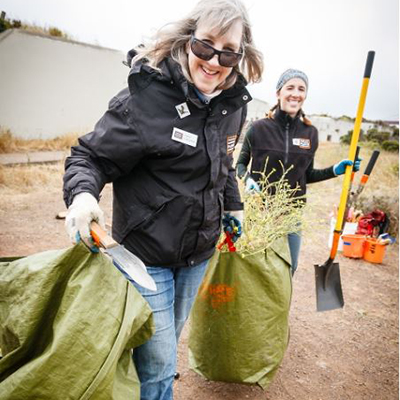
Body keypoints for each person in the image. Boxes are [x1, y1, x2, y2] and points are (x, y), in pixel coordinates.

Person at [63, 0, 263, 398]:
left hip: (197, 255)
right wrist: (83, 196)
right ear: (188, 41)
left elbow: (222, 164)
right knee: (159, 364)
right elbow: (90, 156)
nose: (213, 61)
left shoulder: (232, 106)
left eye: (228, 51)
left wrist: (233, 206)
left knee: (164, 345)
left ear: (240, 56)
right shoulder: (144, 99)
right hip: (145, 257)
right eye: (205, 46)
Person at [236, 69, 360, 274]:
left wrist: (335, 170)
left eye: (301, 89)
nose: (296, 93)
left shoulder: (310, 133)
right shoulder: (258, 128)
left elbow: (307, 175)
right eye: (290, 87)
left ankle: (278, 307)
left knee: (288, 268)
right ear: (278, 93)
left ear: (305, 95)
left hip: (292, 212)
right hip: (260, 210)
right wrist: (247, 179)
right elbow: (240, 164)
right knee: (254, 267)